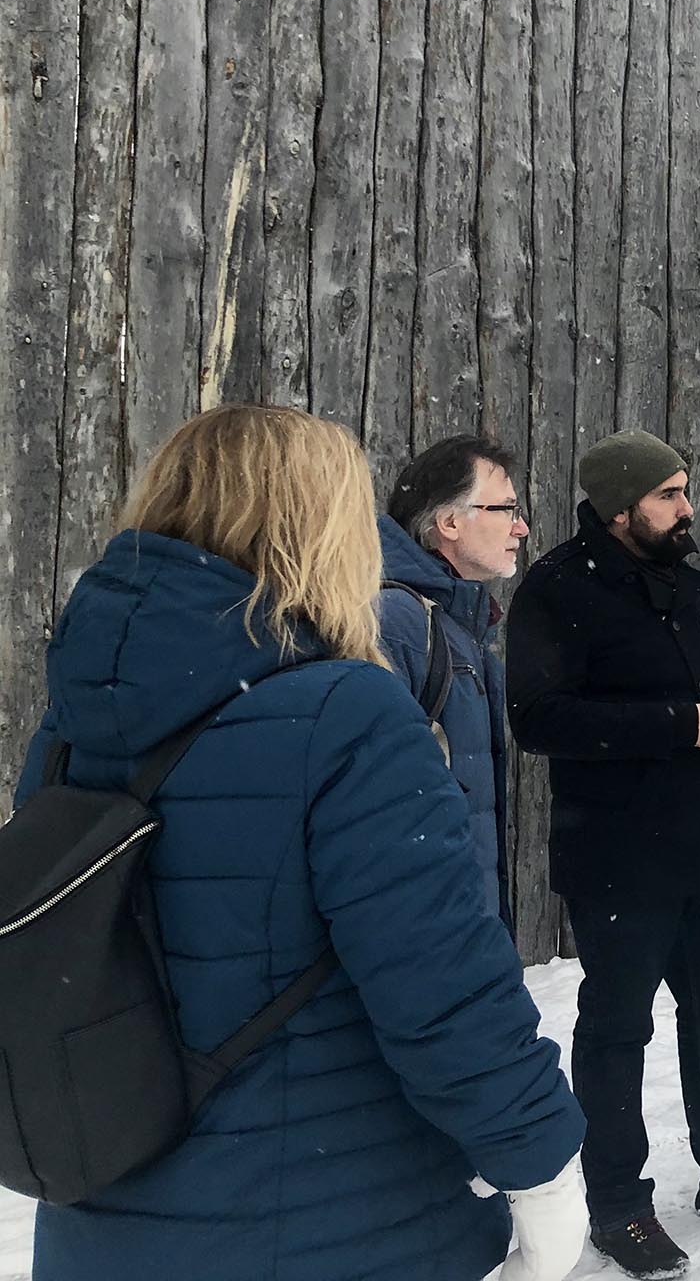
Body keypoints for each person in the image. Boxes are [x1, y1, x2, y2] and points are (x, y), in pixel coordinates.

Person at [14, 405, 586, 1281]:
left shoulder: (68, 724)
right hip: (332, 1221)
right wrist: (540, 1169)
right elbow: (441, 983)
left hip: (111, 1216)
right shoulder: (345, 712)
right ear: (317, 525)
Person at [506, 429, 700, 1279]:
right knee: (617, 1029)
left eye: (685, 491)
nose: (688, 509)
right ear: (620, 509)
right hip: (620, 855)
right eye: (669, 495)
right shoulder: (557, 590)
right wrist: (684, 723)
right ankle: (616, 1205)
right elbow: (541, 720)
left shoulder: (678, 582)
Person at [378, 435, 532, 926]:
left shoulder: (453, 620)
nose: (521, 527)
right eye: (505, 509)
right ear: (448, 522)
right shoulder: (398, 621)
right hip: (426, 929)